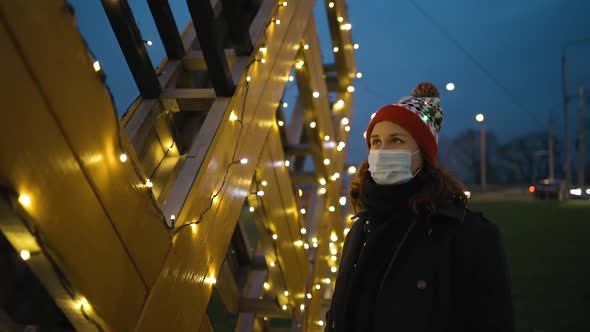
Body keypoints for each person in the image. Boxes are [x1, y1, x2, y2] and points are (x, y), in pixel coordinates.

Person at [325, 82, 514, 331]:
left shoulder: (470, 235)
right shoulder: (361, 229)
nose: (382, 151)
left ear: (422, 154)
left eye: (396, 140)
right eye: (376, 141)